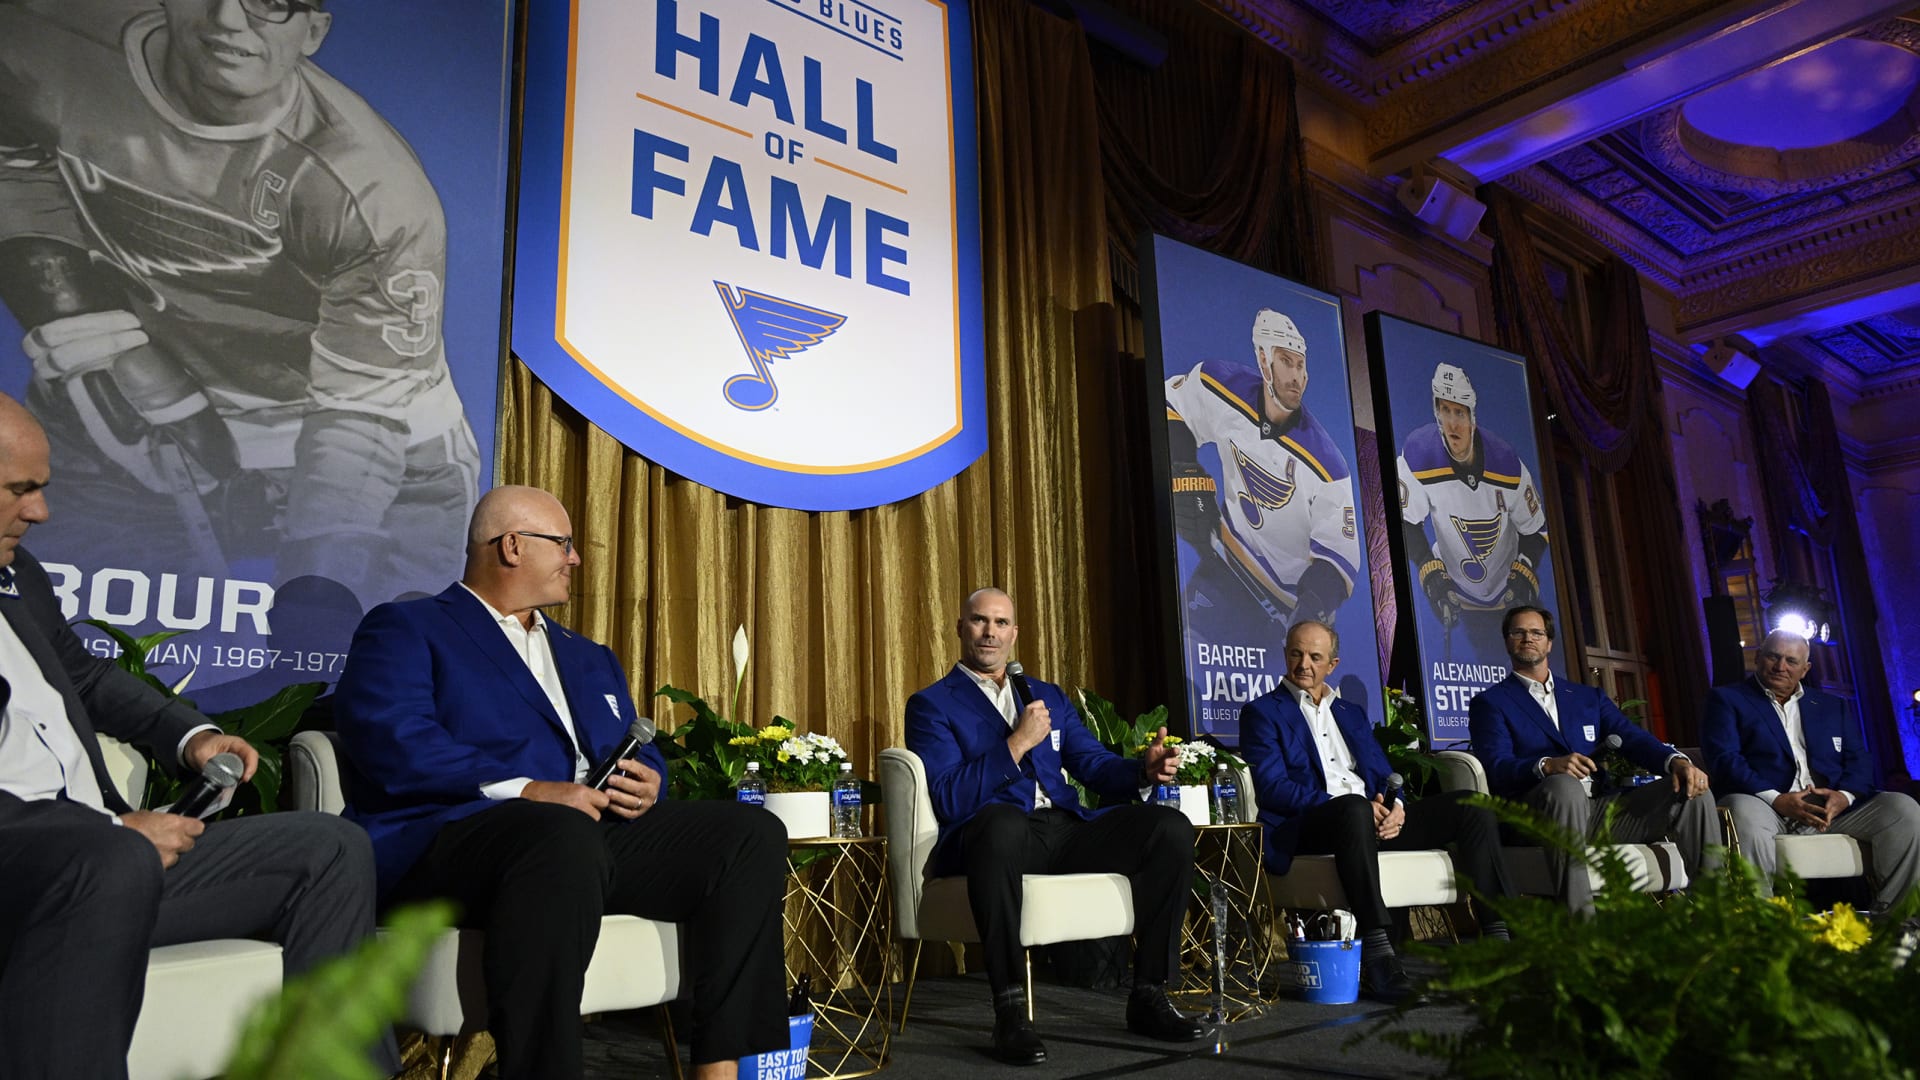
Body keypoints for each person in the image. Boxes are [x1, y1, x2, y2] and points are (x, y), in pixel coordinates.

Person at [0, 0, 479, 609]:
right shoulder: (38, 34)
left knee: (346, 652)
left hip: (360, 447)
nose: (228, 19)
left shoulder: (375, 193)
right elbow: (14, 159)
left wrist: (319, 588)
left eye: (271, 3)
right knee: (62, 643)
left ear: (314, 30)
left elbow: (360, 418)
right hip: (132, 415)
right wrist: (91, 337)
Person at [332, 485, 788, 1080]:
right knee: (558, 835)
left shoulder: (587, 655)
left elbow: (636, 743)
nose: (574, 559)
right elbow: (393, 739)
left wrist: (650, 781)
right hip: (457, 837)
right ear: (512, 546)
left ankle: (719, 1069)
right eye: (563, 544)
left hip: (582, 838)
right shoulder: (408, 627)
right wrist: (527, 788)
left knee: (749, 833)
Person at [0, 391, 392, 1079]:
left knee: (330, 847)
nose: (40, 512)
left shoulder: (19, 576)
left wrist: (192, 736)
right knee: (112, 859)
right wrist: (107, 834)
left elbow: (86, 678)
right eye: (18, 490)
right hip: (34, 862)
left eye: (42, 489)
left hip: (106, 856)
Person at [903, 587, 1205, 1066]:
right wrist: (1016, 745)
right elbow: (948, 796)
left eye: (1001, 623)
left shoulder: (1046, 695)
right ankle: (1009, 1011)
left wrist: (1142, 771)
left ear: (1015, 633)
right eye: (980, 621)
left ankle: (1149, 994)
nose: (990, 632)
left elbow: (1093, 764)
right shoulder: (932, 704)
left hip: (1063, 829)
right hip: (994, 837)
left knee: (1168, 828)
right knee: (1001, 823)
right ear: (960, 628)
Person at [1240, 620, 1512, 1003]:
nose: (1304, 664)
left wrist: (1396, 807)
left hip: (1368, 820)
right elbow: (1273, 787)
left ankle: (1499, 941)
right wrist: (1349, 806)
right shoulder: (1263, 712)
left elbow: (1382, 773)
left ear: (1332, 664)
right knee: (1352, 807)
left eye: (1315, 657)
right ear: (1285, 655)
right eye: (1296, 654)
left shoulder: (1349, 712)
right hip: (1311, 823)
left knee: (1472, 807)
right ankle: (1379, 956)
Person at [1164, 310, 1359, 731]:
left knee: (1277, 718)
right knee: (1187, 668)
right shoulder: (1222, 385)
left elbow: (1338, 562)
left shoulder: (1327, 463)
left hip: (1286, 607)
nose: (1296, 375)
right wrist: (1183, 470)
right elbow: (1172, 405)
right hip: (1225, 564)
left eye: (1301, 364)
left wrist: (1306, 612)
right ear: (1263, 360)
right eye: (1286, 361)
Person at [1468, 605, 1716, 913]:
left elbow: (1634, 738)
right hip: (1539, 813)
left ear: (1549, 642)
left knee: (1692, 790)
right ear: (1507, 641)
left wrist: (1677, 762)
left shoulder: (1587, 698)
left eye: (1536, 632)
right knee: (1564, 786)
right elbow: (1496, 767)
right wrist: (1547, 766)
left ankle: (1714, 916)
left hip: (1599, 811)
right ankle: (1581, 927)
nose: (1527, 638)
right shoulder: (1491, 703)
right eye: (1518, 632)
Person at [1701, 629, 1920, 911]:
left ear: (1805, 669)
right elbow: (1725, 759)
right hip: (1764, 804)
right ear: (1758, 658)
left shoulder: (1830, 706)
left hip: (1830, 810)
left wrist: (1844, 797)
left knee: (1903, 808)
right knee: (1741, 810)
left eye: (1791, 661)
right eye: (1773, 657)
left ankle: (1901, 921)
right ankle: (1758, 922)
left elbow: (1859, 761)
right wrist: (1776, 799)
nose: (1780, 666)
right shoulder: (1727, 699)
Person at [1395, 364, 1548, 659]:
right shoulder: (1418, 453)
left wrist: (1524, 566)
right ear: (1436, 413)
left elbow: (1536, 530)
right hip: (1457, 599)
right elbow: (1406, 522)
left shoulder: (1506, 462)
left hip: (1508, 598)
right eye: (1445, 411)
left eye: (1459, 413)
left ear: (1472, 417)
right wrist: (1428, 567)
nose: (1453, 424)